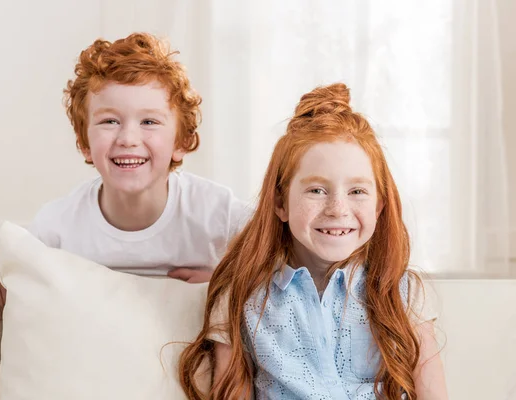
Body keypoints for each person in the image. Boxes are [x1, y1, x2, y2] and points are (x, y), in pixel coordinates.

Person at [179, 83, 448, 399]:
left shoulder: (403, 292)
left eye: (357, 191)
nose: (337, 209)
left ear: (378, 205)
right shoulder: (241, 296)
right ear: (280, 203)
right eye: (316, 190)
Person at [0, 32, 250, 320]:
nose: (128, 138)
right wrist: (1, 262)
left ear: (181, 142)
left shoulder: (217, 213)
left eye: (149, 121)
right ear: (85, 144)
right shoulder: (58, 225)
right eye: (110, 121)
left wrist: (227, 281)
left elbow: (286, 254)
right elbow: (15, 269)